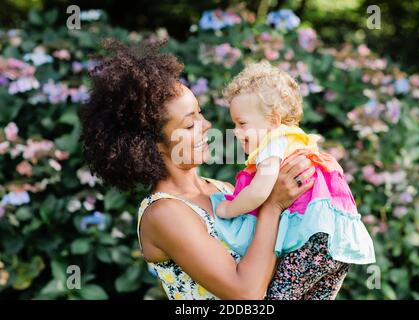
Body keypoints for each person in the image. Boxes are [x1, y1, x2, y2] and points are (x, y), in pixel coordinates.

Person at [78, 39, 315, 300]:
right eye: (190, 125)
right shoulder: (164, 212)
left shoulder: (224, 190)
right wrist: (272, 206)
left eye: (200, 113)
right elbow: (245, 293)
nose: (206, 125)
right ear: (153, 145)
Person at [211, 61, 376, 299]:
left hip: (310, 241)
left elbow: (259, 192)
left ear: (273, 119)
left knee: (275, 297)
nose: (236, 131)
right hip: (339, 242)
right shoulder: (298, 142)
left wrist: (228, 208)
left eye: (242, 123)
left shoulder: (273, 145)